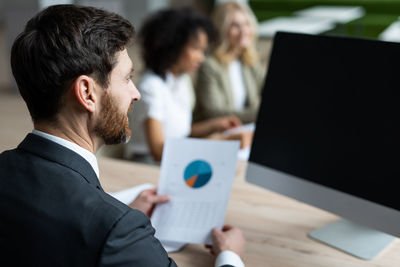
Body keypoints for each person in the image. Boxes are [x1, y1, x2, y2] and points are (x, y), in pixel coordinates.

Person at [0, 4, 245, 266]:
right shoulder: (119, 229)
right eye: (127, 78)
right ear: (87, 93)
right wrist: (229, 254)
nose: (136, 93)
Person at [125, 7, 252, 163]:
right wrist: (222, 142)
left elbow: (179, 133)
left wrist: (215, 125)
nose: (201, 58)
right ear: (173, 46)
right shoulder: (151, 87)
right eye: (196, 49)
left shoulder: (180, 80)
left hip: (172, 159)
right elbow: (159, 151)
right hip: (148, 163)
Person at [193, 1, 265, 124]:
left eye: (247, 24)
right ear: (222, 29)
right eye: (235, 26)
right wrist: (259, 114)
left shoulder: (248, 62)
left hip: (245, 128)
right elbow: (214, 112)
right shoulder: (210, 65)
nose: (244, 31)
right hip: (218, 133)